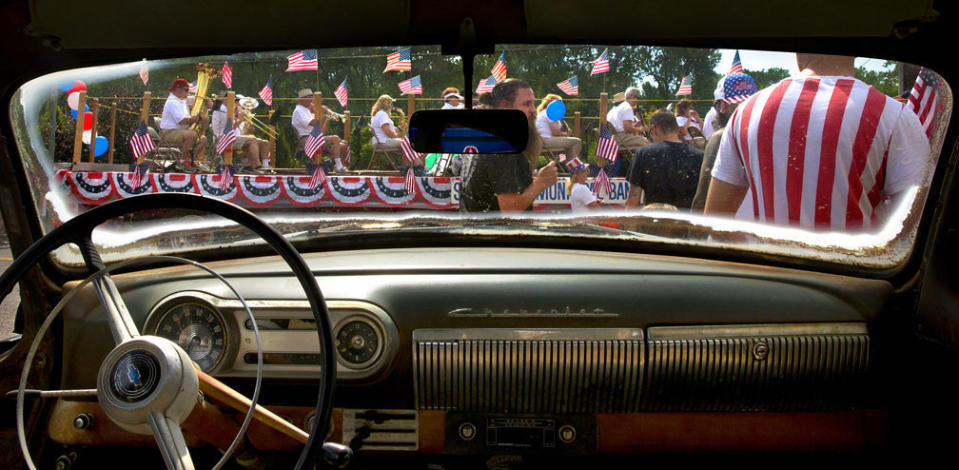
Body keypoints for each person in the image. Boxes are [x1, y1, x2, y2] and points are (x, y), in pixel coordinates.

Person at [704, 53, 932, 231]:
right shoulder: (893, 115)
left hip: (767, 280)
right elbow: (917, 224)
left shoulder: (747, 112)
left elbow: (717, 220)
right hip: (851, 282)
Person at [460, 78, 558, 212]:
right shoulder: (505, 146)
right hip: (495, 232)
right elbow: (510, 210)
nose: (533, 110)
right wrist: (540, 183)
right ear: (505, 106)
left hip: (477, 230)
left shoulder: (484, 137)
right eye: (527, 104)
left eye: (533, 104)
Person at [690, 73, 759, 212]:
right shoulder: (767, 134)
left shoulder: (721, 137)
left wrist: (694, 232)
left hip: (730, 226)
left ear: (722, 106)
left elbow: (702, 200)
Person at [625, 110, 704, 210]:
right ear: (677, 129)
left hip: (654, 220)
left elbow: (633, 198)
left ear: (654, 129)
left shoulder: (643, 154)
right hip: (686, 222)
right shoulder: (699, 156)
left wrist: (627, 224)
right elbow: (703, 201)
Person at [292, 89, 349, 173]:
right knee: (335, 138)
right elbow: (314, 123)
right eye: (310, 98)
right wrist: (321, 113)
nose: (312, 101)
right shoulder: (299, 111)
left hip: (314, 137)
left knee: (343, 145)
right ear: (303, 99)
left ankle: (329, 162)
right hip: (306, 140)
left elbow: (320, 131)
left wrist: (327, 118)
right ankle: (338, 167)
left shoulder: (307, 111)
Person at [211, 92, 271, 172]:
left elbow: (247, 131)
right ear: (225, 101)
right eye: (233, 100)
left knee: (265, 142)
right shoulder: (221, 111)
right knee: (252, 141)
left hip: (234, 138)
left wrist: (246, 120)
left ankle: (265, 166)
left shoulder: (229, 111)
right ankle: (258, 166)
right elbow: (229, 129)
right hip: (224, 139)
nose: (235, 103)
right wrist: (240, 119)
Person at [159, 78, 208, 170]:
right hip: (168, 132)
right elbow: (182, 121)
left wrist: (206, 101)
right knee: (192, 135)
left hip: (178, 130)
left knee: (203, 139)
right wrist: (199, 118)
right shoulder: (173, 101)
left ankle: (187, 161)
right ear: (178, 89)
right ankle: (181, 163)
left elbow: (196, 100)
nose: (188, 92)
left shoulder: (180, 99)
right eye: (186, 90)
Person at [370, 94, 425, 173]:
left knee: (406, 142)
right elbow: (387, 131)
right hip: (382, 142)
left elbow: (385, 129)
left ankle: (406, 166)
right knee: (406, 142)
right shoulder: (382, 114)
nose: (392, 106)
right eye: (391, 103)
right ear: (386, 104)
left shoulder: (378, 114)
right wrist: (396, 136)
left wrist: (399, 128)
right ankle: (417, 164)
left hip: (381, 140)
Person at [535, 94, 583, 163]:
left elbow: (554, 130)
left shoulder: (542, 113)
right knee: (576, 142)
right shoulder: (549, 113)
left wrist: (563, 131)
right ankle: (573, 168)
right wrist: (566, 134)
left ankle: (566, 165)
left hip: (540, 141)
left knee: (569, 143)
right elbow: (556, 132)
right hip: (545, 141)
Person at [605, 87, 650, 151]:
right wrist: (642, 129)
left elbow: (622, 127)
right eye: (638, 98)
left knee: (643, 141)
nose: (638, 100)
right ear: (632, 97)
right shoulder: (627, 108)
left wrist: (635, 126)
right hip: (620, 138)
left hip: (612, 137)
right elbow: (627, 128)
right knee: (647, 143)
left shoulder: (617, 107)